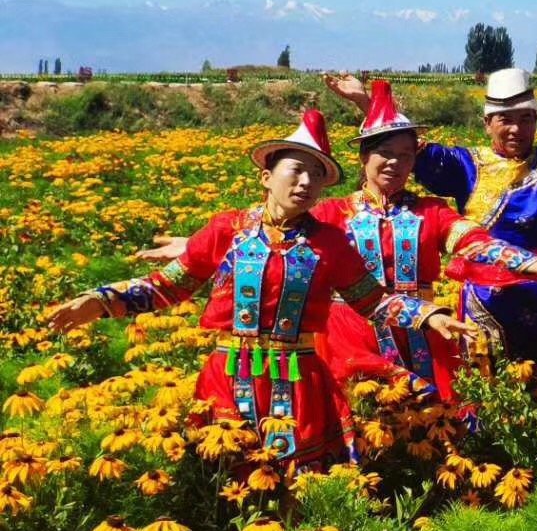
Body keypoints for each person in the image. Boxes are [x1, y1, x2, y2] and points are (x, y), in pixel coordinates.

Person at [45, 111, 478, 468]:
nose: (306, 183)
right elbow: (167, 288)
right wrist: (103, 300)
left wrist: (428, 315)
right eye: (296, 170)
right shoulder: (227, 229)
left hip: (299, 378)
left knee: (297, 485)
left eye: (316, 175)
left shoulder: (329, 243)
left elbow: (374, 300)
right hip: (229, 374)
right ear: (267, 176)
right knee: (225, 475)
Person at [140, 83, 537, 414]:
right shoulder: (333, 214)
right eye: (384, 153)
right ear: (364, 159)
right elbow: (267, 230)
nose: (394, 163)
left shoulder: (431, 212)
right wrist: (198, 245)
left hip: (420, 331)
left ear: (415, 161)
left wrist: (531, 263)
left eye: (406, 155)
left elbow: (476, 243)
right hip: (353, 334)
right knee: (358, 418)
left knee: (433, 419)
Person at [325, 32, 537, 362]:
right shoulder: (465, 165)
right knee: (486, 388)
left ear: (536, 121)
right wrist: (365, 103)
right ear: (487, 123)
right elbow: (404, 150)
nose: (516, 129)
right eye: (505, 120)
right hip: (485, 300)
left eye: (525, 119)